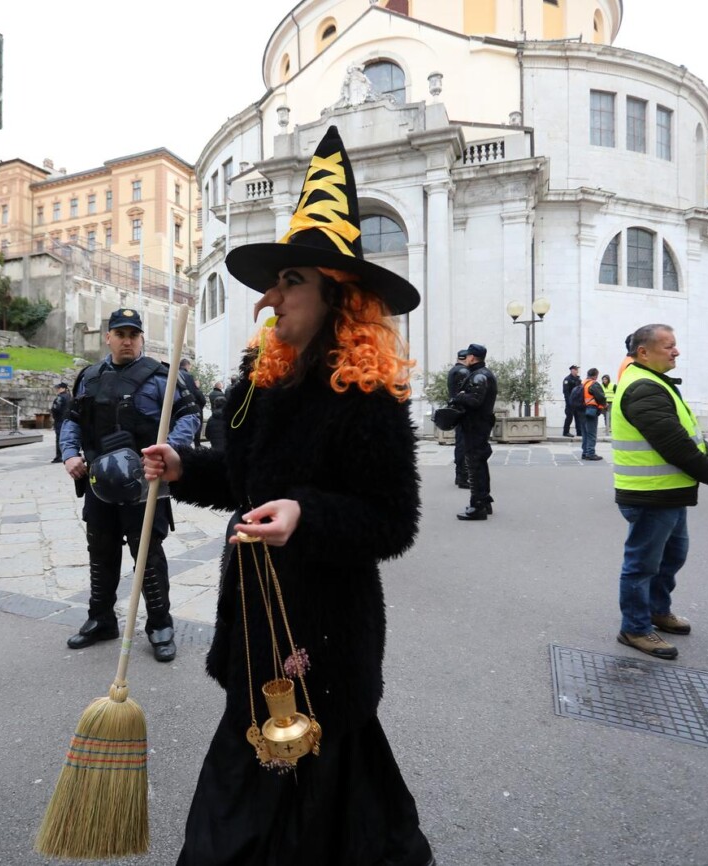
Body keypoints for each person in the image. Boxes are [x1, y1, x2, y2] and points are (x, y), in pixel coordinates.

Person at [144, 125, 433, 866]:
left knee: (285, 788)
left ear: (340, 296)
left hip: (324, 632)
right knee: (316, 790)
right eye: (274, 282)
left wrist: (307, 515)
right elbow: (243, 483)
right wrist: (184, 466)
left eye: (290, 281)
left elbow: (392, 521)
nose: (268, 298)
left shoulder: (367, 393)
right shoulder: (260, 380)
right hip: (252, 620)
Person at [58, 308, 200, 663]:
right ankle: (101, 619)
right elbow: (73, 421)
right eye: (120, 334)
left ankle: (160, 626)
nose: (126, 340)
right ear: (108, 337)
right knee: (100, 552)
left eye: (133, 334)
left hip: (145, 484)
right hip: (98, 484)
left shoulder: (161, 378)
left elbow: (189, 416)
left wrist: (168, 451)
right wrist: (68, 454)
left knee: (148, 557)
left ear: (141, 339)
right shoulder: (89, 377)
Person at [613, 323, 708, 661]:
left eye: (675, 345)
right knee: (642, 565)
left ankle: (656, 611)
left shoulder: (657, 384)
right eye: (669, 346)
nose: (676, 351)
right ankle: (634, 628)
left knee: (671, 557)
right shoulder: (643, 388)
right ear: (643, 352)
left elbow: (687, 433)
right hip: (649, 495)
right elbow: (671, 441)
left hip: (670, 493)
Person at [453, 344, 498, 521]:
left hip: (476, 425)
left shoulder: (480, 375)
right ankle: (484, 501)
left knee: (474, 464)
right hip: (479, 424)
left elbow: (475, 401)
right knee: (479, 462)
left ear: (472, 357)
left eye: (469, 356)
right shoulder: (483, 373)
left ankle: (477, 505)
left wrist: (459, 396)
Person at [446, 348, 470, 488]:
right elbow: (466, 394)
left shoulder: (454, 370)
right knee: (463, 445)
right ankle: (462, 477)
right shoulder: (463, 372)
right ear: (467, 358)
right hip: (462, 412)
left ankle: (459, 475)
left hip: (456, 411)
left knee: (460, 443)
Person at [179, 358, 208, 447]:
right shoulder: (188, 376)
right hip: (188, 407)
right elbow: (193, 393)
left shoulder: (174, 373)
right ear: (187, 365)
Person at [580, 368, 607, 461]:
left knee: (585, 433)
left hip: (581, 411)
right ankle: (590, 453)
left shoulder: (582, 383)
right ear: (595, 375)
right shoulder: (593, 384)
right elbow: (601, 397)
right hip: (591, 411)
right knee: (591, 433)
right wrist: (604, 405)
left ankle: (584, 452)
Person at [49, 381, 71, 462]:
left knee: (59, 438)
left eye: (59, 388)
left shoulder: (60, 397)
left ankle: (59, 456)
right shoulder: (69, 396)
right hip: (68, 420)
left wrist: (53, 414)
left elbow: (56, 408)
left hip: (60, 421)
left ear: (63, 388)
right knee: (68, 438)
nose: (57, 389)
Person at [205, 381, 227, 451]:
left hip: (214, 449)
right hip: (227, 450)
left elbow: (207, 435)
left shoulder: (210, 419)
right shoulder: (229, 418)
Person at [562, 364, 582, 438]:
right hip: (570, 402)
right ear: (572, 370)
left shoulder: (578, 379)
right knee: (569, 417)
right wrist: (569, 402)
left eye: (577, 370)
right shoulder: (567, 379)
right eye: (576, 370)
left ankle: (579, 432)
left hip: (577, 402)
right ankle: (566, 432)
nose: (577, 371)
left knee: (578, 417)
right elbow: (566, 392)